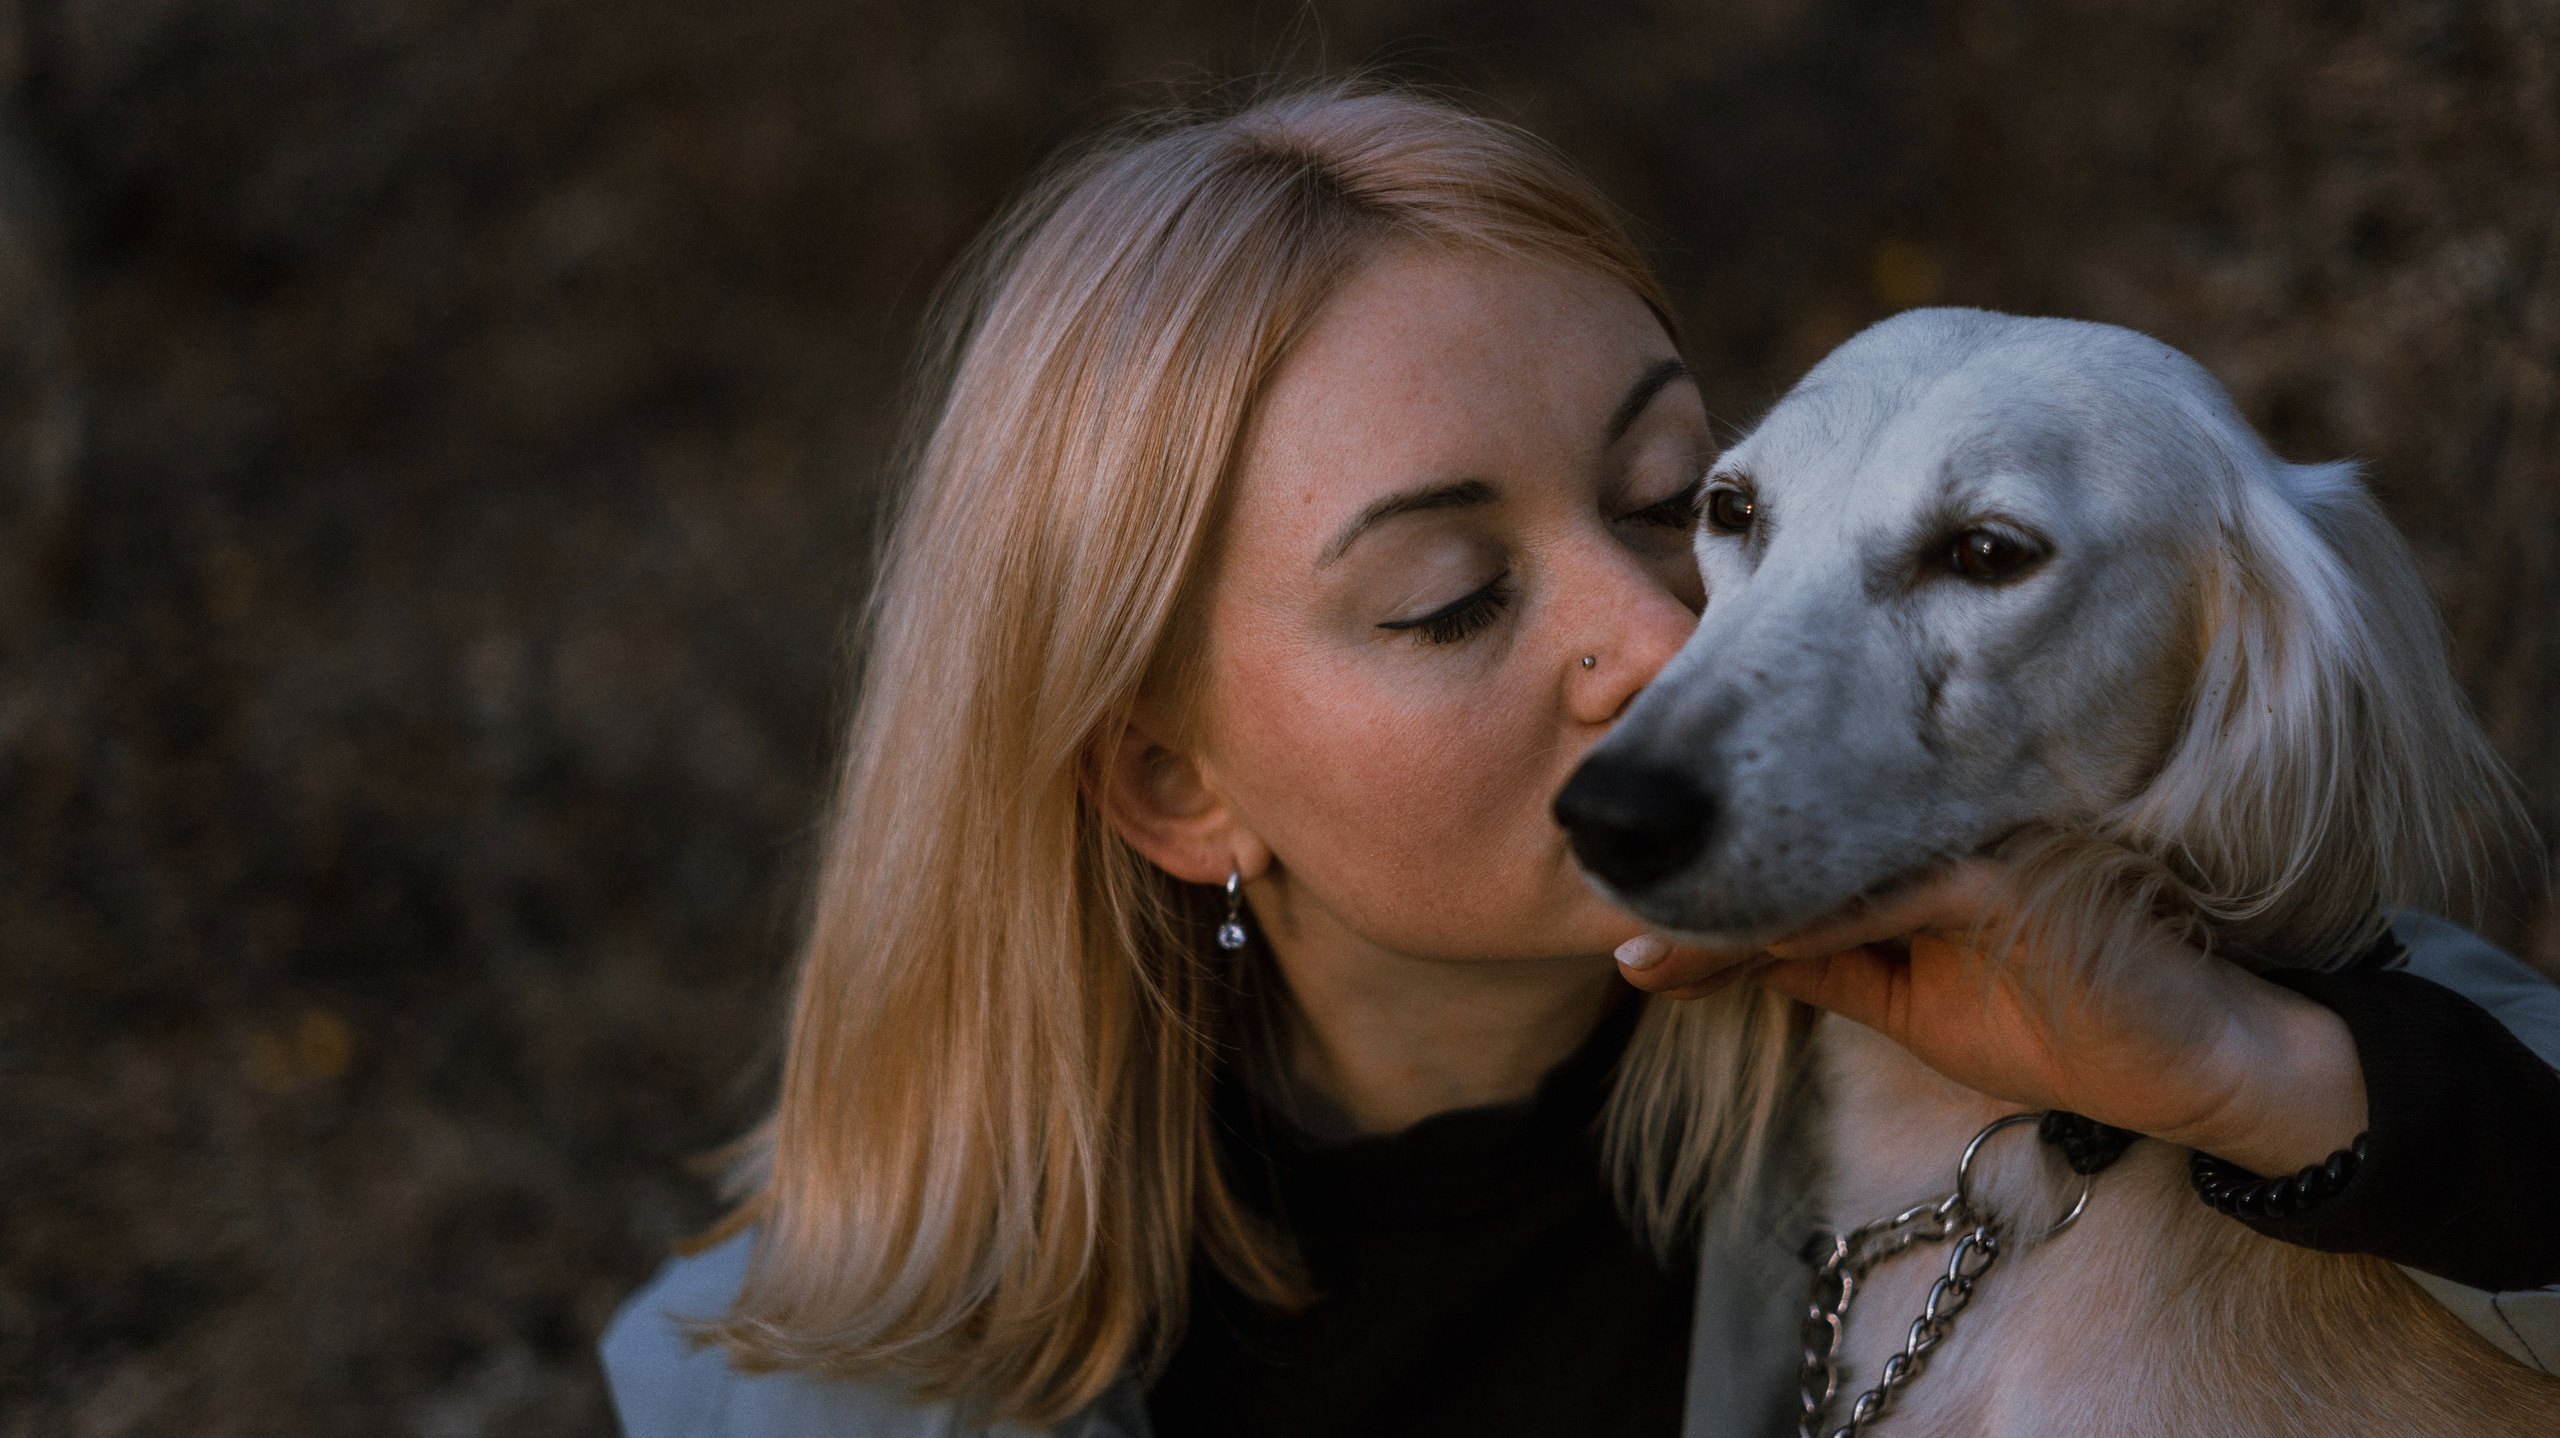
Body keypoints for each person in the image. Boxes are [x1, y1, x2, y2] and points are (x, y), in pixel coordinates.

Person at [600, 83, 2560, 1438]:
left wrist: (2250, 1070)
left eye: (1669, 491)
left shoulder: (2087, 996)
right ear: (1171, 785)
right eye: (1452, 593)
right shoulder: (771, 1389)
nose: (1671, 637)